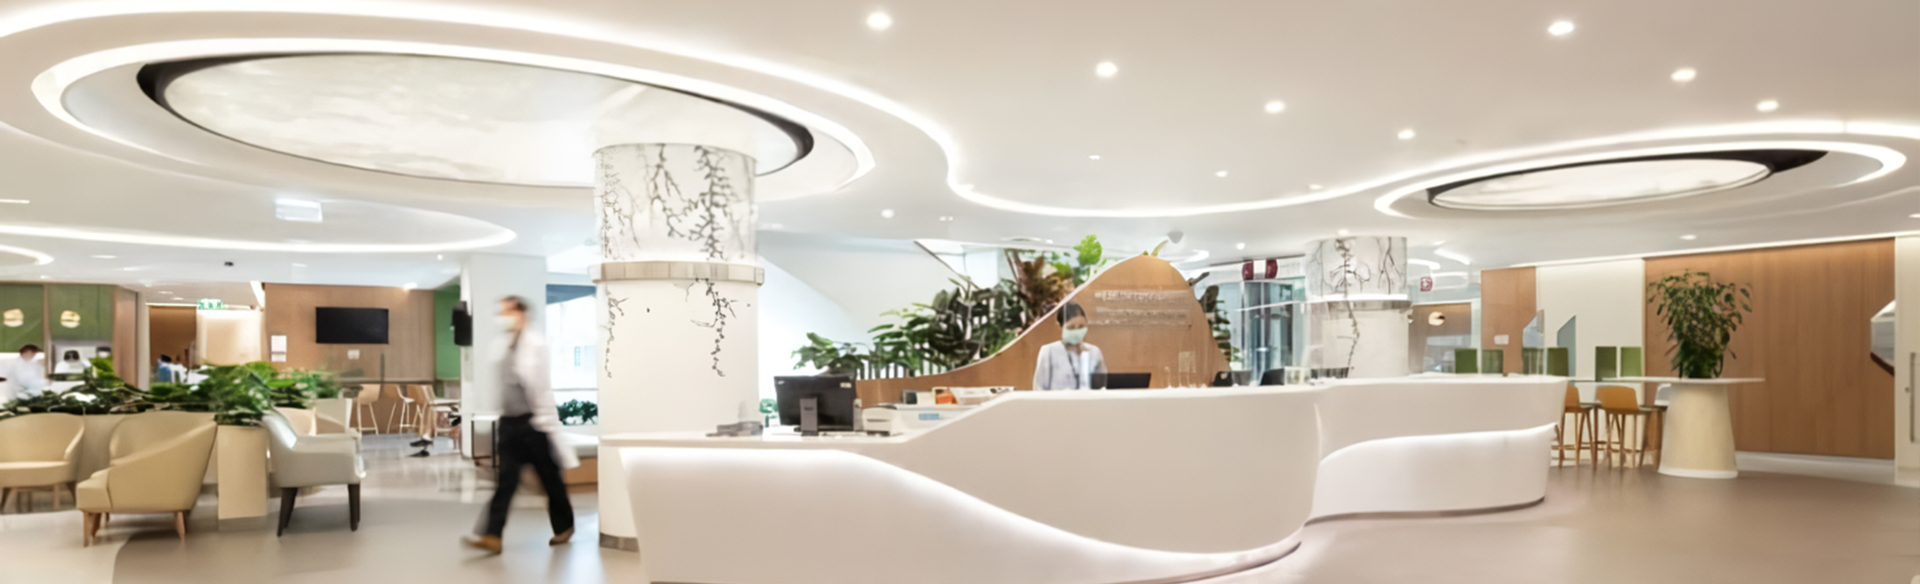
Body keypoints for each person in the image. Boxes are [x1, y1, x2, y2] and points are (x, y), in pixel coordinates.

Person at [464, 296, 578, 554]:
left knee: (550, 478)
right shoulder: (502, 344)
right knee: (505, 480)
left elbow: (541, 386)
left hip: (533, 423)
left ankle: (564, 526)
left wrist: (547, 420)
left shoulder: (536, 343)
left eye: (506, 311)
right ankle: (492, 535)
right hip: (509, 423)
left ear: (521, 313)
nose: (502, 316)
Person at [1032, 301, 1107, 390]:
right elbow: (1039, 388)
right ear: (1061, 326)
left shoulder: (1094, 351)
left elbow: (1102, 387)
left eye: (1081, 326)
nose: (1076, 331)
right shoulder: (1049, 351)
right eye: (1071, 327)